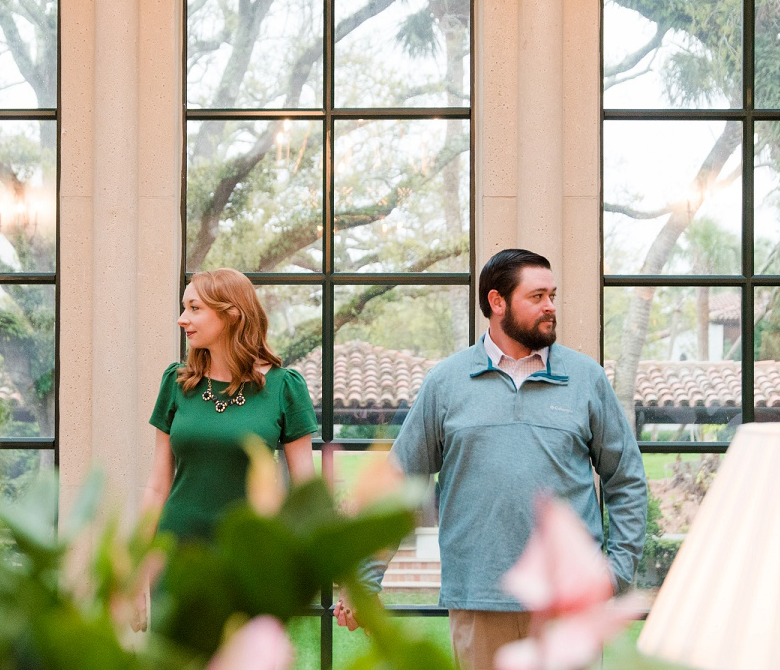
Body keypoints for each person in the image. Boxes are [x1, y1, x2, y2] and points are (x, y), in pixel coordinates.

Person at [335, 249, 647, 670]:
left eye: (552, 295)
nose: (550, 306)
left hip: (567, 604)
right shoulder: (446, 382)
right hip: (478, 599)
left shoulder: (586, 378)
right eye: (537, 296)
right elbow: (398, 482)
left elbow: (626, 480)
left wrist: (618, 571)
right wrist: (365, 581)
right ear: (497, 302)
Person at [136, 268, 318, 623]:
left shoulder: (285, 387)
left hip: (249, 559)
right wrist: (138, 569)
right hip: (178, 555)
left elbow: (305, 492)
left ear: (231, 313)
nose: (181, 319)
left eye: (194, 308)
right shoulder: (176, 383)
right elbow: (157, 486)